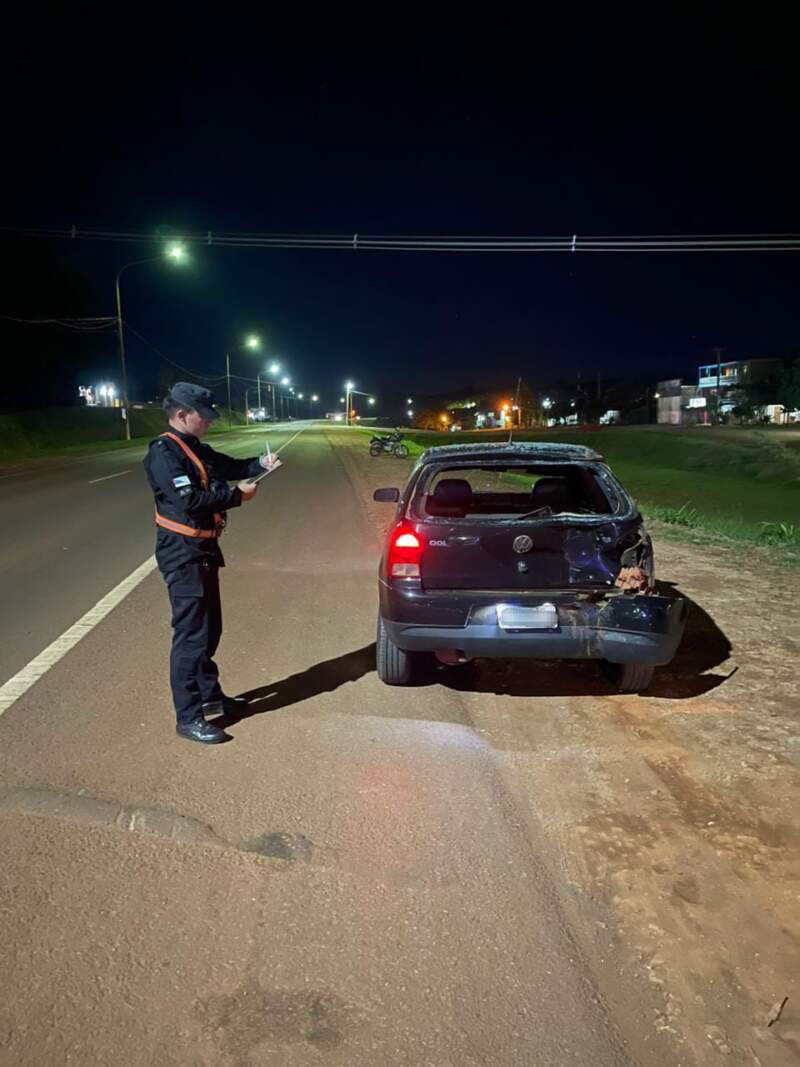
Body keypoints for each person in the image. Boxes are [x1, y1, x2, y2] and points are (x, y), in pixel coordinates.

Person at [143, 382, 280, 744]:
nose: (208, 423)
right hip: (181, 552)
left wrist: (259, 465)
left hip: (202, 550)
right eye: (203, 417)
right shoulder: (165, 452)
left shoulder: (194, 447)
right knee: (191, 636)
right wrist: (236, 497)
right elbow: (190, 500)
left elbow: (227, 466)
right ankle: (189, 717)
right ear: (181, 415)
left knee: (210, 629)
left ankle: (210, 697)